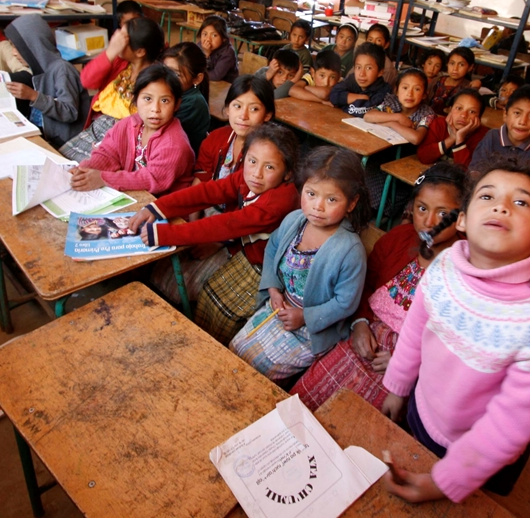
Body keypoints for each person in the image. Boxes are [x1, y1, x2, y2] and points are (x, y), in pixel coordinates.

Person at [380, 155, 530, 504]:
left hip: (480, 455)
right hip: (421, 411)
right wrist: (397, 387)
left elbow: (508, 425)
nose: (501, 207)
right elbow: (414, 332)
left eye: (520, 202)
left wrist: (444, 482)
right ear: (465, 220)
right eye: (487, 196)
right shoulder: (443, 268)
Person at [292, 163, 466, 411]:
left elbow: (454, 344)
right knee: (306, 398)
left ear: (462, 217)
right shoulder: (399, 238)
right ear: (411, 207)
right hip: (364, 337)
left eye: (443, 213)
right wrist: (360, 323)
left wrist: (410, 365)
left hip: (406, 363)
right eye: (422, 208)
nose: (429, 221)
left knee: (355, 425)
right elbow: (365, 282)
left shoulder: (463, 269)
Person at [134, 124, 300, 342]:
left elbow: (226, 225)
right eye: (252, 161)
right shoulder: (247, 177)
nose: (257, 173)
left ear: (287, 173)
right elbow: (210, 191)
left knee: (218, 307)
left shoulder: (279, 201)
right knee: (168, 276)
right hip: (239, 244)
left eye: (269, 167)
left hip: (263, 264)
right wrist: (159, 207)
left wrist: (167, 234)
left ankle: (208, 344)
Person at [230, 146, 370, 382]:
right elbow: (273, 248)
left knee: (255, 369)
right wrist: (274, 290)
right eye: (311, 194)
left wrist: (304, 316)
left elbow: (345, 302)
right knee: (236, 348)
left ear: (352, 203)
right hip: (280, 307)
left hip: (312, 328)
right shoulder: (295, 220)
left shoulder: (349, 250)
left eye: (332, 199)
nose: (318, 206)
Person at [71, 64, 194, 196]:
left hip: (164, 207)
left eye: (164, 101)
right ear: (135, 100)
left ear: (176, 105)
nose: (155, 109)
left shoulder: (175, 145)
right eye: (147, 99)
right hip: (135, 197)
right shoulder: (128, 125)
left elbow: (151, 179)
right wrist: (85, 170)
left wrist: (103, 178)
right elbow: (108, 153)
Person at [60, 17, 165, 161]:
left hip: (121, 139)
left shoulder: (155, 80)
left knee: (80, 173)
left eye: (123, 39)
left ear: (140, 52)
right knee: (60, 160)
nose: (116, 39)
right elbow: (87, 80)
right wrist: (110, 52)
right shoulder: (121, 63)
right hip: (95, 129)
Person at [4, 15, 90, 148]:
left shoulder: (62, 70)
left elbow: (70, 112)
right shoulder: (39, 71)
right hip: (45, 138)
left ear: (33, 46)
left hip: (64, 144)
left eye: (17, 47)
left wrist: (33, 96)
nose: (14, 53)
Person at [194, 75, 275, 187]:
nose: (243, 116)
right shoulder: (214, 138)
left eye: (254, 109)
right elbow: (201, 177)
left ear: (267, 115)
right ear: (227, 109)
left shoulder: (270, 155)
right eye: (237, 106)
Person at [468, 85, 530, 171]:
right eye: (517, 113)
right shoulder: (491, 137)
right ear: (505, 114)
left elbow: (527, 182)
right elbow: (475, 170)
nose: (522, 122)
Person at [160, 42, 210, 155]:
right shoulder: (172, 93)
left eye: (177, 75)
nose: (167, 78)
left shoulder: (193, 103)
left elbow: (160, 130)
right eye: (165, 70)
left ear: (197, 79)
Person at [363, 67, 435, 145]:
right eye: (405, 88)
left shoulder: (426, 113)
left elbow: (416, 138)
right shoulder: (392, 102)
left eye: (416, 89)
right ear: (397, 91)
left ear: (424, 94)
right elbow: (368, 116)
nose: (409, 94)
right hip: (377, 144)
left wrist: (392, 124)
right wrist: (398, 117)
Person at [417, 89, 488, 168]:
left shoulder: (483, 136)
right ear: (450, 109)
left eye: (472, 112)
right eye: (459, 108)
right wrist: (452, 138)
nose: (463, 115)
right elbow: (423, 157)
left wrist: (460, 138)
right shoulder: (439, 124)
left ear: (479, 118)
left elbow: (467, 171)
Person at [329, 43, 392, 116]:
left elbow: (362, 111)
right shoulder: (351, 80)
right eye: (358, 67)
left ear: (380, 72)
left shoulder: (385, 91)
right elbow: (333, 95)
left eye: (368, 68)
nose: (362, 74)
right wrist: (361, 97)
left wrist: (343, 104)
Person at [427, 47, 480, 115]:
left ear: (470, 67)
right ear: (447, 64)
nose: (455, 68)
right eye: (452, 63)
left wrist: (475, 88)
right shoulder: (436, 81)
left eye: (461, 64)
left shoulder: (468, 87)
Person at [198, 15, 238, 83]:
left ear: (224, 38)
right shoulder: (200, 45)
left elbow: (216, 75)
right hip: (209, 81)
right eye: (205, 34)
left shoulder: (228, 53)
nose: (208, 39)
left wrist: (206, 54)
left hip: (225, 86)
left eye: (214, 35)